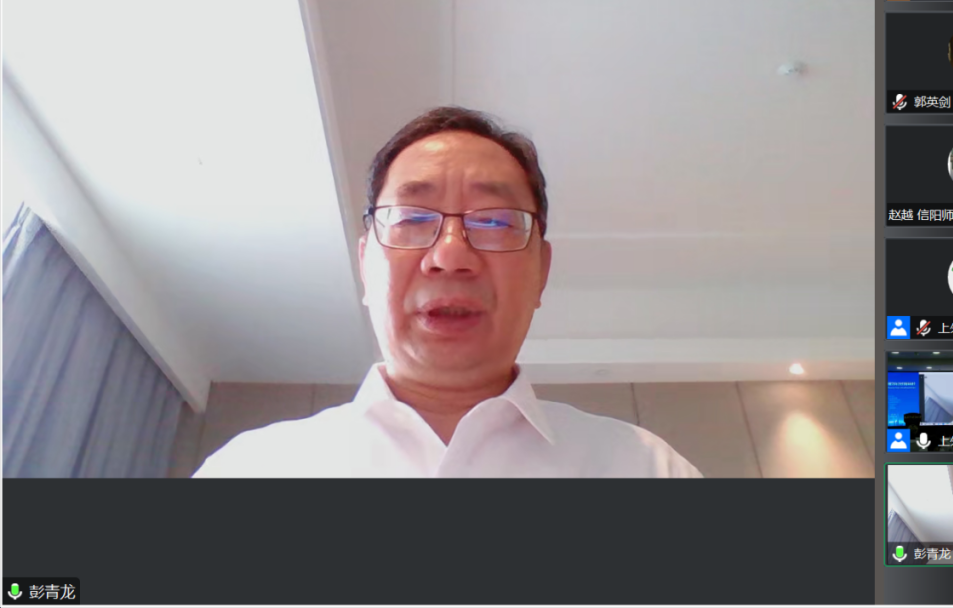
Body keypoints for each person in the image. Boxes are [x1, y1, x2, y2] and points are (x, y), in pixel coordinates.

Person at [195, 107, 701, 478]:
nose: (451, 254)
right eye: (412, 218)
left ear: (542, 272)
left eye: (495, 221)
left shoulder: (644, 467)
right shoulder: (251, 468)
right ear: (366, 265)